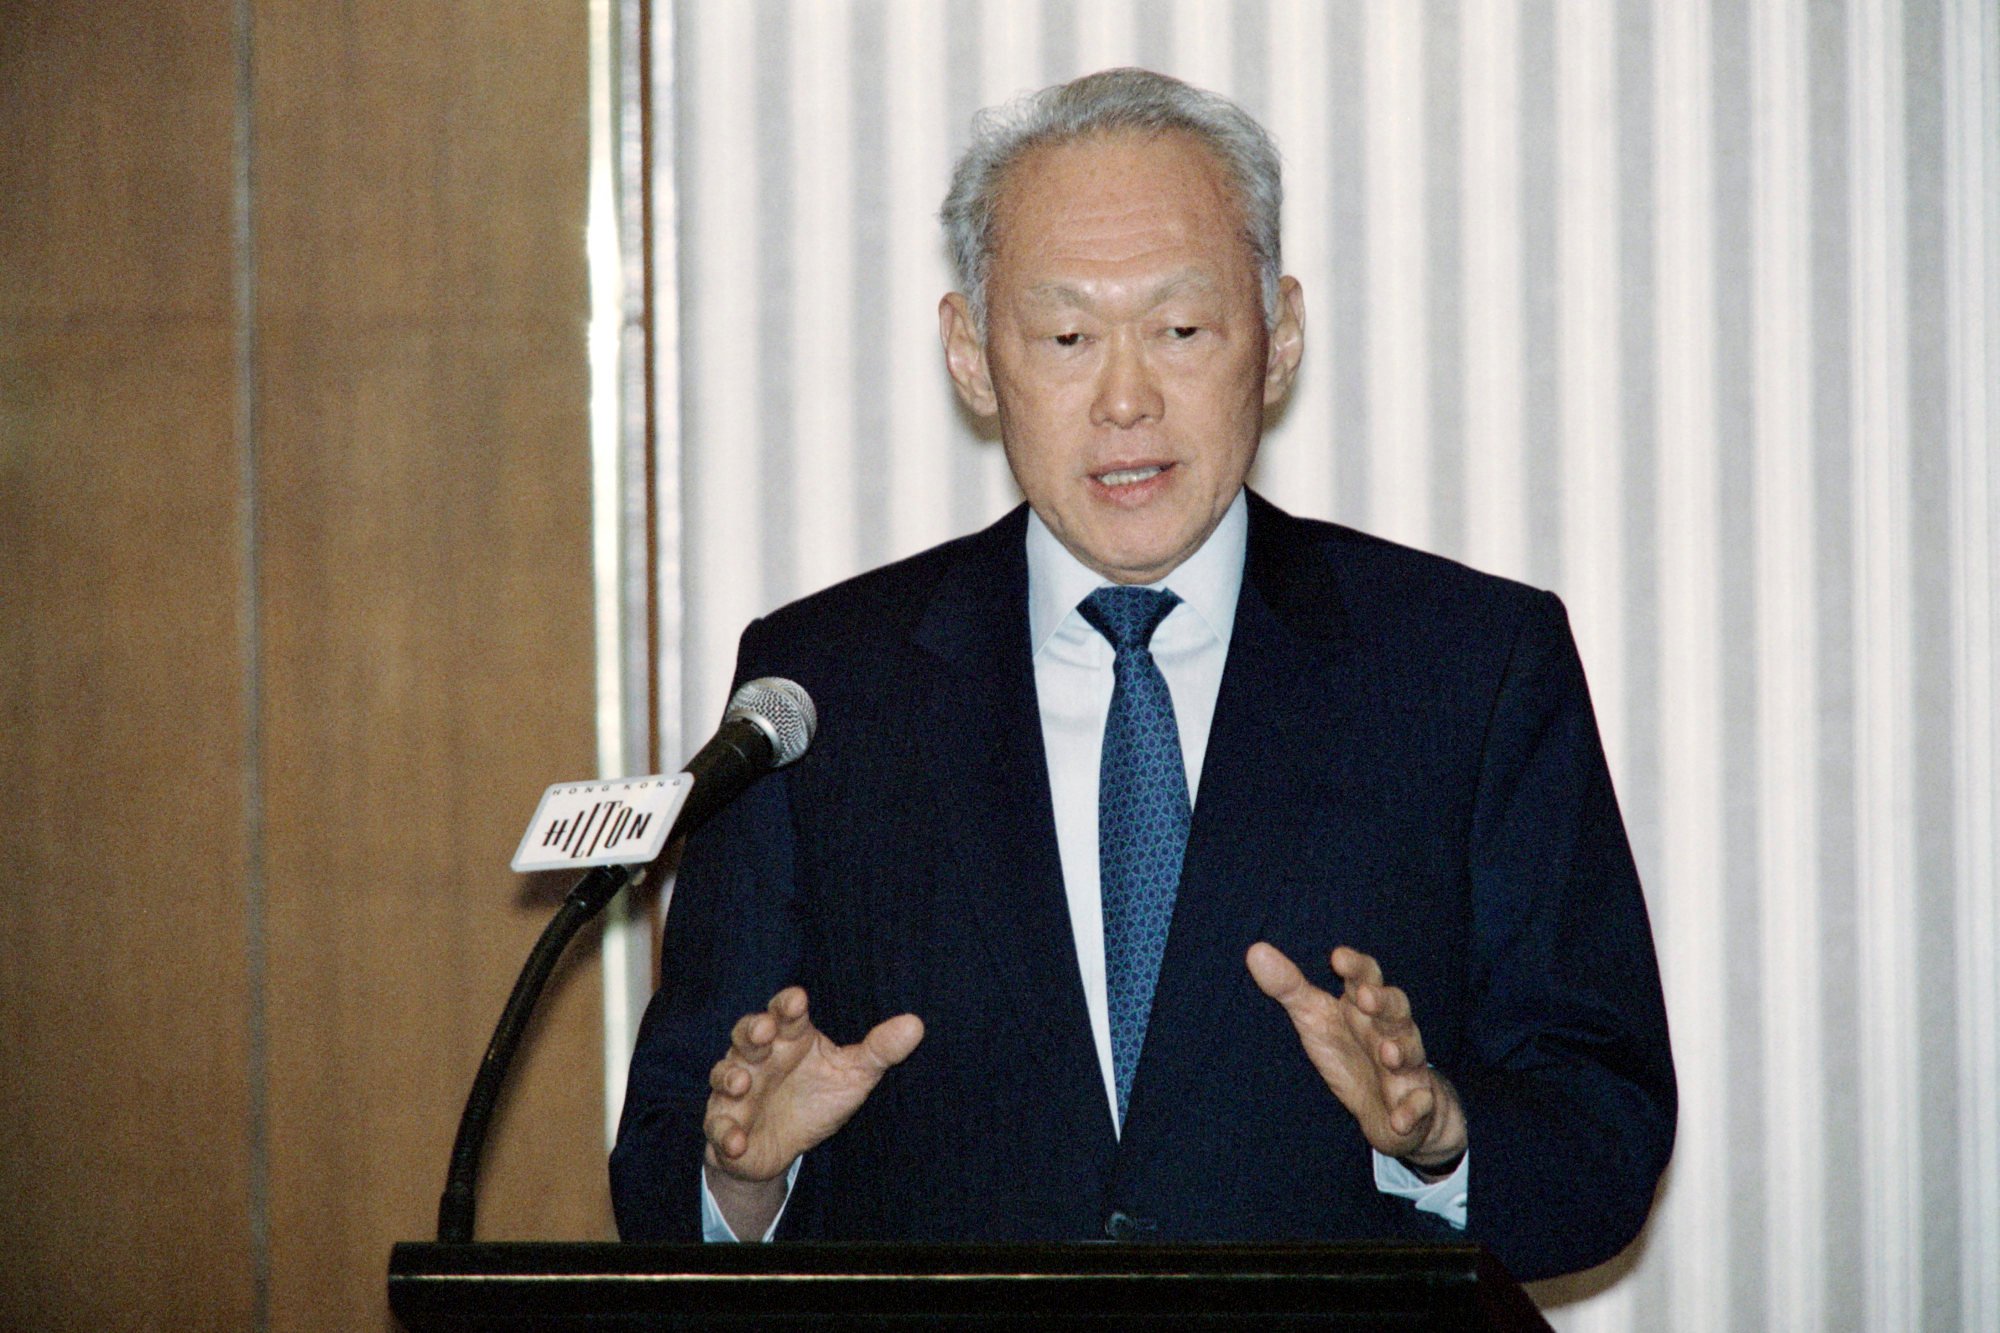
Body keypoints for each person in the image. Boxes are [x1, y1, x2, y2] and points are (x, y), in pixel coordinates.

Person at [610, 68, 1674, 1282]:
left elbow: (1604, 1133)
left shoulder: (1469, 665)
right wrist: (745, 1173)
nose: (1125, 398)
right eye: (1065, 337)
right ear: (968, 354)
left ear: (1276, 337)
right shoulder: (819, 693)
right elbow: (662, 1170)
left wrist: (1435, 1138)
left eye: (1179, 329)